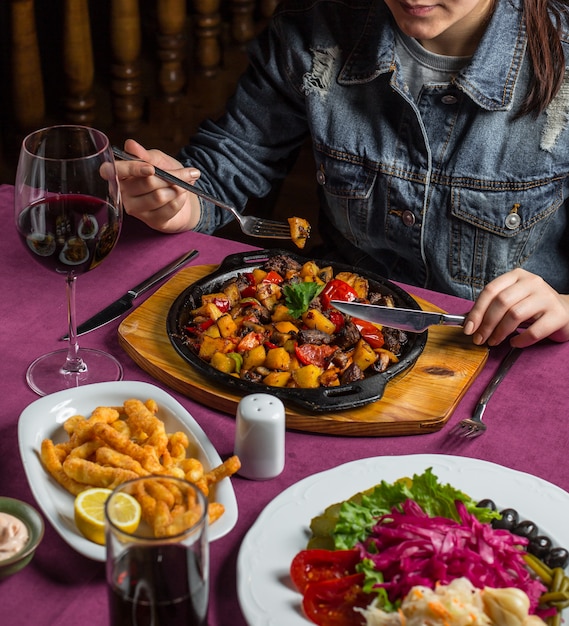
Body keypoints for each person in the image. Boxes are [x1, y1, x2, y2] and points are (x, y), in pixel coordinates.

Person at [112, 0, 569, 350]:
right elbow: (227, 164)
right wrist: (182, 200)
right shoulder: (312, 29)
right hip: (333, 337)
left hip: (503, 354)